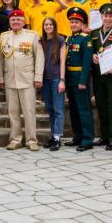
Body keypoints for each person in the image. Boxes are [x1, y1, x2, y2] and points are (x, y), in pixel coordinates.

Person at [0, 9, 45, 151]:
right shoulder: (4, 36)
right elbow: (1, 59)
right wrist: (1, 78)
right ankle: (15, 139)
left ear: (24, 21)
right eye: (13, 20)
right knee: (13, 111)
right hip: (10, 79)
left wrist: (38, 77)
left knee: (29, 111)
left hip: (27, 80)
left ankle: (31, 140)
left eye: (19, 19)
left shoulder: (32, 35)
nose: (16, 22)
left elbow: (39, 58)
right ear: (9, 22)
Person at [90, 3, 112, 150]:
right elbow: (90, 52)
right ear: (101, 16)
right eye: (105, 15)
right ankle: (104, 137)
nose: (108, 18)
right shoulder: (93, 34)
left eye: (111, 16)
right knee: (101, 106)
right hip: (98, 76)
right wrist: (92, 56)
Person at [64, 8, 94, 151]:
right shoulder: (69, 39)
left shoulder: (85, 39)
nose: (73, 24)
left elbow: (87, 62)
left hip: (80, 80)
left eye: (76, 22)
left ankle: (87, 139)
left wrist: (83, 81)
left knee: (83, 109)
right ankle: (78, 136)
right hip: (70, 79)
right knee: (74, 110)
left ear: (82, 24)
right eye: (72, 22)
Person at [40, 18, 67, 150]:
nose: (48, 26)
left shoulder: (60, 40)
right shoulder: (41, 41)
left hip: (56, 78)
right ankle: (53, 135)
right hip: (45, 79)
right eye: (46, 24)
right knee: (50, 109)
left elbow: (62, 61)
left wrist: (62, 80)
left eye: (51, 24)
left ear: (54, 26)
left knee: (58, 109)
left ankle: (57, 138)